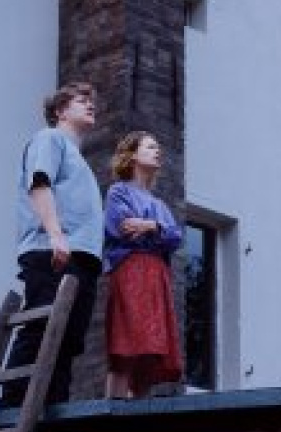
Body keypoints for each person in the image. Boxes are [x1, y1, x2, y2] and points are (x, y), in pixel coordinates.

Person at [0, 82, 104, 408]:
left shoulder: (80, 161)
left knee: (68, 340)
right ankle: (12, 408)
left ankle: (54, 409)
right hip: (53, 250)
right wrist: (56, 235)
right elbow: (39, 182)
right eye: (81, 100)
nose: (90, 104)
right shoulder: (49, 139)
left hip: (83, 258)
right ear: (60, 111)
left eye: (92, 100)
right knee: (42, 328)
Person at [103, 131, 183, 399]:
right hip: (130, 271)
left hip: (156, 275)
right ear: (132, 155)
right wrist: (159, 231)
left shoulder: (159, 204)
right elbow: (122, 227)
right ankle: (112, 409)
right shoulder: (119, 191)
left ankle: (139, 410)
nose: (157, 151)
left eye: (158, 147)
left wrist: (150, 225)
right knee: (125, 344)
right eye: (150, 147)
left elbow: (175, 237)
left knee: (150, 348)